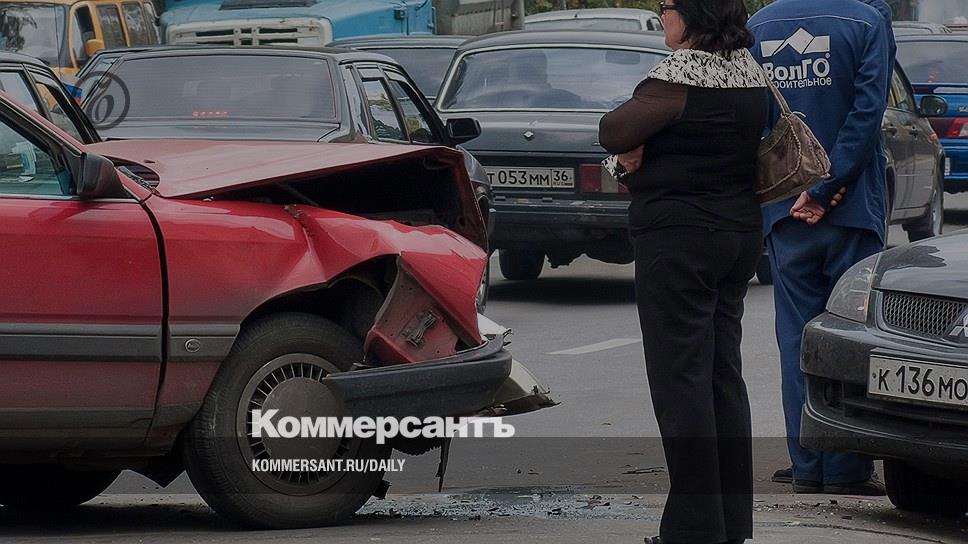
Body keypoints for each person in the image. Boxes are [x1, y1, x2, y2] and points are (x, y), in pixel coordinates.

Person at [598, 1, 767, 542]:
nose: (661, 15)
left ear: (693, 14)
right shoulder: (749, 72)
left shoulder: (679, 76)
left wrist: (631, 153)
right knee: (722, 377)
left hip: (679, 241)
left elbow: (611, 131)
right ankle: (729, 524)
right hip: (737, 235)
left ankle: (693, 529)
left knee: (682, 383)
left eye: (667, 6)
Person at [748, 0, 894, 495]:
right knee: (853, 337)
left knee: (797, 339)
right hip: (852, 212)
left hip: (785, 210)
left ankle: (807, 465)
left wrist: (799, 192)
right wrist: (830, 186)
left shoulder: (760, 25)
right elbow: (868, 113)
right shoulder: (865, 22)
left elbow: (754, 120)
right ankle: (846, 469)